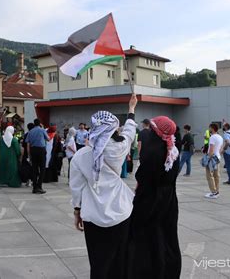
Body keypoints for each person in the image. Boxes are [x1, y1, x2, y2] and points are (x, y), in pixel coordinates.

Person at [70, 94, 138, 279]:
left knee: (98, 260)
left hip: (93, 216)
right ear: (114, 127)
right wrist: (131, 109)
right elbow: (130, 131)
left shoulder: (81, 155)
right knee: (121, 257)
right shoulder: (121, 148)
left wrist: (77, 211)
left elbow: (76, 189)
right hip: (122, 211)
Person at [127, 115, 181, 279]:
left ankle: (150, 271)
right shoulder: (173, 150)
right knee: (168, 236)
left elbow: (142, 177)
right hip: (169, 199)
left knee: (148, 237)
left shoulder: (152, 151)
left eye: (152, 128)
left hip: (150, 199)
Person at [26, 119, 49, 194]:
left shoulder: (30, 131)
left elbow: (28, 143)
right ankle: (39, 186)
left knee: (34, 169)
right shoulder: (42, 130)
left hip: (33, 150)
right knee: (42, 169)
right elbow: (48, 139)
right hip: (41, 150)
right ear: (40, 123)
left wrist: (29, 155)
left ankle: (34, 187)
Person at [204, 123, 223, 199]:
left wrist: (208, 158)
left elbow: (211, 149)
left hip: (212, 158)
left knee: (209, 175)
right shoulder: (220, 137)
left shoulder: (212, 137)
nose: (209, 129)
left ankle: (213, 192)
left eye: (209, 127)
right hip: (217, 157)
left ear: (212, 128)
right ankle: (217, 191)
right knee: (216, 175)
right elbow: (221, 148)